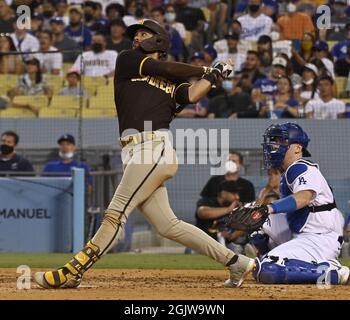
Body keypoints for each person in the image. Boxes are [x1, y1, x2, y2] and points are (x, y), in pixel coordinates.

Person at [34, 19, 254, 289]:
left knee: (115, 215)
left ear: (160, 40)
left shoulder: (172, 84)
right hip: (137, 152)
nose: (137, 37)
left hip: (152, 148)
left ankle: (74, 270)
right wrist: (208, 69)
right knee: (169, 226)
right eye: (136, 34)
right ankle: (237, 263)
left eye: (143, 33)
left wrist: (212, 77)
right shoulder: (128, 60)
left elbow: (194, 94)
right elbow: (163, 67)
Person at [250, 122, 349, 285]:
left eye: (280, 141)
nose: (274, 146)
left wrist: (269, 208)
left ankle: (333, 272)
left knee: (268, 270)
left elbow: (303, 197)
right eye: (273, 141)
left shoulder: (300, 168)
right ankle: (279, 257)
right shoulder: (288, 172)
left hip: (320, 238)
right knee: (254, 220)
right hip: (303, 232)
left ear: (297, 148)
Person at [196, 181, 247, 253]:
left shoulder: (238, 206)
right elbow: (202, 213)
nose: (237, 197)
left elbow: (246, 225)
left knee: (238, 248)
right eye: (233, 193)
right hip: (203, 243)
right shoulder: (207, 201)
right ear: (223, 193)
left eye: (237, 193)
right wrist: (228, 210)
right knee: (193, 250)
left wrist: (231, 235)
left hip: (227, 244)